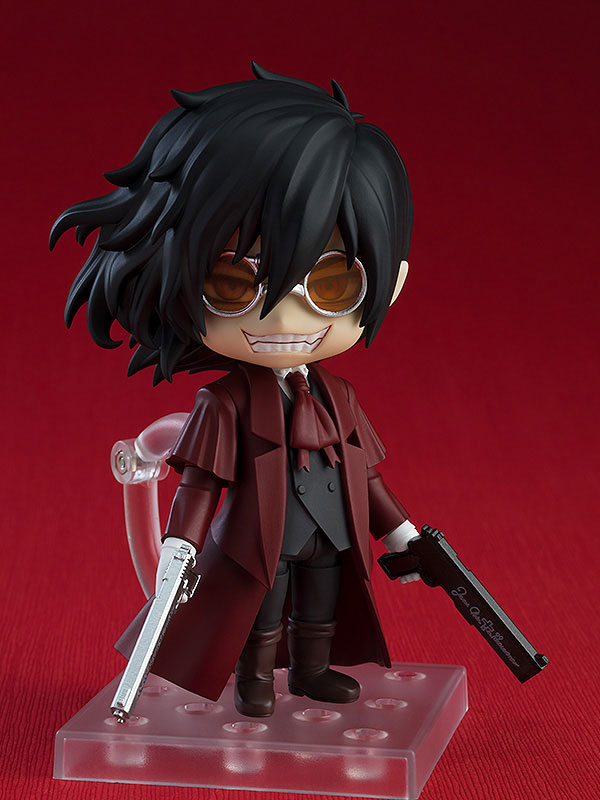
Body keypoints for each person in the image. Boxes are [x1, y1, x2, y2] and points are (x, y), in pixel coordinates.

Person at [51, 63, 421, 718]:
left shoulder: (338, 395)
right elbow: (199, 484)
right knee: (262, 609)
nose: (284, 317)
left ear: (388, 286)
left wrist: (401, 535)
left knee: (320, 605)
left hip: (332, 534)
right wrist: (181, 545)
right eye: (232, 284)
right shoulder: (223, 404)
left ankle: (311, 672)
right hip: (258, 544)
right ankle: (255, 678)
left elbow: (365, 477)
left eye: (331, 284)